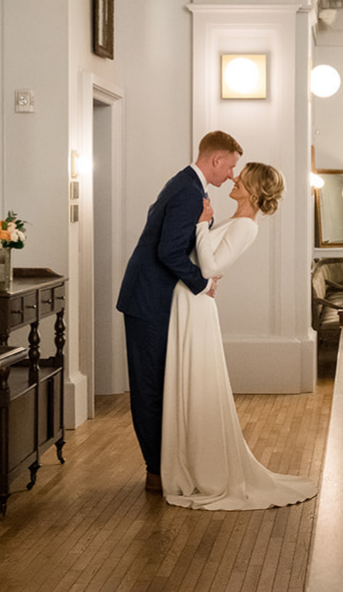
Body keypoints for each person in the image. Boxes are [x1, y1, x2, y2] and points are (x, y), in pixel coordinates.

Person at [161, 162, 318, 509]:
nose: (233, 179)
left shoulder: (247, 227)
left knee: (198, 382)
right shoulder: (235, 221)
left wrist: (202, 226)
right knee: (190, 381)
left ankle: (207, 470)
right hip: (189, 301)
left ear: (255, 190)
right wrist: (205, 226)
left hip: (196, 305)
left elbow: (210, 268)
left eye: (241, 178)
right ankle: (187, 465)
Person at [116, 130, 243, 494]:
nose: (231, 175)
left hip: (151, 297)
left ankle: (162, 467)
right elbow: (169, 252)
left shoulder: (186, 184)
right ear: (216, 159)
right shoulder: (190, 190)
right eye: (231, 166)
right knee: (150, 386)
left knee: (155, 383)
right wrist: (203, 285)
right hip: (148, 299)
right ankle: (156, 471)